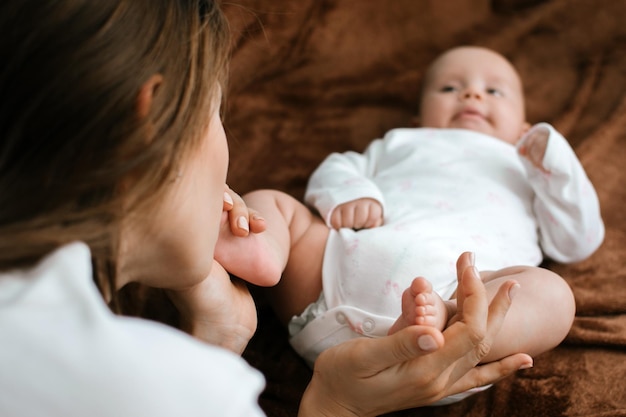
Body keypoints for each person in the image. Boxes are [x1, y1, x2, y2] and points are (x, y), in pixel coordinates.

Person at [0, 3, 534, 416]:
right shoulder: (164, 388)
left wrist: (217, 336)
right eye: (215, 113)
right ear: (150, 120)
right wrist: (334, 407)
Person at [215, 46, 604, 391]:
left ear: (523, 129)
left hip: (457, 295)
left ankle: (454, 318)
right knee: (275, 204)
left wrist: (556, 167)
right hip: (336, 278)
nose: (471, 94)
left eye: (494, 91)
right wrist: (353, 194)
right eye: (450, 88)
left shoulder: (529, 169)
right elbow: (339, 167)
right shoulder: (400, 141)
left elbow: (576, 240)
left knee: (555, 296)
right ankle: (260, 248)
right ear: (419, 118)